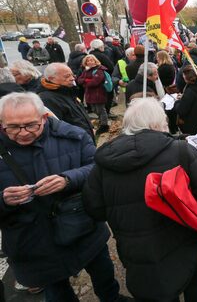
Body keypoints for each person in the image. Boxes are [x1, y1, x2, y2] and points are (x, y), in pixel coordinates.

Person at [83, 98, 197, 301]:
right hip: (181, 235)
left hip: (135, 246)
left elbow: (95, 209)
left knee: (158, 291)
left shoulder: (103, 164)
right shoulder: (180, 150)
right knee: (191, 278)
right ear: (156, 124)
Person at [0, 93, 122, 300]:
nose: (22, 133)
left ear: (44, 118)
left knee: (104, 276)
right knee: (57, 293)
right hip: (33, 241)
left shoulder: (73, 136)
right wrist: (3, 200)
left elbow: (98, 168)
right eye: (12, 127)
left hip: (82, 228)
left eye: (31, 125)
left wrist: (68, 179)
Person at [38, 63, 95, 141]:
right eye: (67, 76)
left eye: (72, 75)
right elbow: (56, 128)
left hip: (85, 139)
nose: (72, 78)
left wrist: (90, 128)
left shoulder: (68, 90)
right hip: (75, 144)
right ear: (51, 78)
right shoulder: (47, 99)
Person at [77, 55, 109, 135]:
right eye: (88, 61)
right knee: (94, 109)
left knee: (101, 110)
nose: (90, 62)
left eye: (92, 60)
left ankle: (104, 125)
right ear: (85, 62)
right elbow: (79, 80)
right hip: (90, 94)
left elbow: (95, 82)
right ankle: (102, 121)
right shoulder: (86, 70)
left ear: (95, 61)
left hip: (99, 93)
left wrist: (85, 82)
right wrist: (87, 80)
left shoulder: (99, 69)